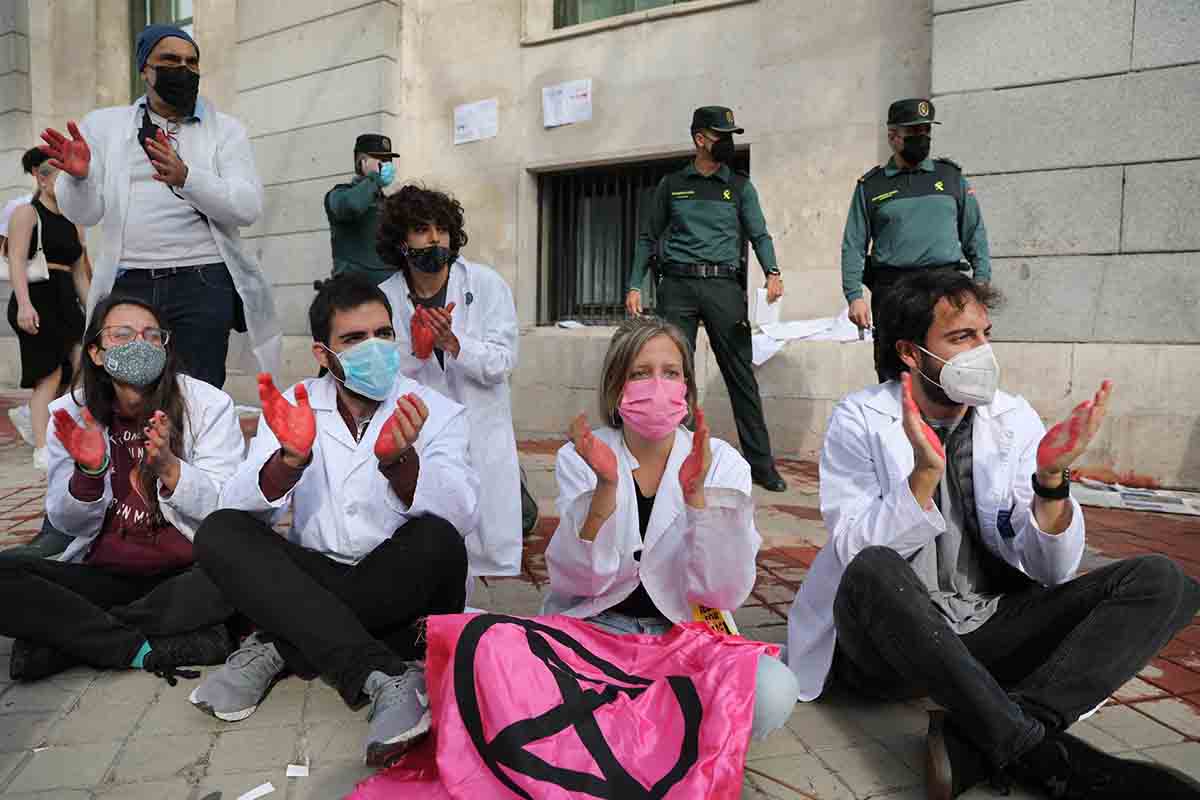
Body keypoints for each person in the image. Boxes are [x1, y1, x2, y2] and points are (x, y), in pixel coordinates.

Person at [785, 270, 1200, 798]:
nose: (982, 351)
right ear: (911, 353)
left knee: (1162, 581)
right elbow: (854, 548)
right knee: (872, 567)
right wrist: (922, 477)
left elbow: (1052, 570)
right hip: (890, 645)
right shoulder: (859, 419)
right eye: (961, 338)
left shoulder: (1012, 416)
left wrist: (1051, 483)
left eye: (985, 335)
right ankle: (1047, 759)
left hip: (982, 626)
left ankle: (996, 737)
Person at [188, 275, 478, 767]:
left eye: (384, 334)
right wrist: (289, 461)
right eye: (355, 339)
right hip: (319, 579)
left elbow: (462, 516)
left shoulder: (435, 410)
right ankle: (383, 674)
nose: (375, 348)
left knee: (437, 539)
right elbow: (238, 503)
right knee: (219, 533)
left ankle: (284, 644)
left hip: (404, 593)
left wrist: (400, 466)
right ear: (324, 354)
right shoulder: (297, 404)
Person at [543, 315, 799, 741]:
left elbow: (721, 592)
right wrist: (605, 492)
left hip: (689, 632)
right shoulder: (583, 457)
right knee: (512, 671)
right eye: (640, 374)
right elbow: (580, 581)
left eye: (671, 373)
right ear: (616, 387)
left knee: (771, 690)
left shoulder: (721, 461)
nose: (657, 385)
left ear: (687, 386)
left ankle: (647, 740)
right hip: (599, 629)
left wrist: (698, 500)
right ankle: (653, 740)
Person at [0, 295, 242, 682]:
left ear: (165, 346)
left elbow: (226, 508)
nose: (139, 345)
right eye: (122, 335)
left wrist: (170, 468)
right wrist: (90, 474)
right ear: (95, 352)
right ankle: (139, 648)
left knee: (242, 576)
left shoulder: (208, 405)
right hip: (105, 573)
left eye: (151, 335)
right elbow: (65, 521)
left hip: (186, 573)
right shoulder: (70, 414)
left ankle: (64, 639)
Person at [39, 23, 280, 389]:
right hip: (129, 280)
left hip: (203, 281)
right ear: (144, 70)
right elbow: (84, 213)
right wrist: (79, 177)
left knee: (199, 394)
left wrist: (187, 177)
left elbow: (246, 208)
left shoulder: (226, 131)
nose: (183, 69)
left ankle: (191, 450)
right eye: (169, 60)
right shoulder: (105, 126)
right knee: (128, 392)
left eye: (191, 62)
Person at [626, 106, 787, 492]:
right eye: (721, 135)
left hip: (722, 288)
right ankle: (677, 459)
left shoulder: (740, 186)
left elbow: (759, 234)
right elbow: (649, 238)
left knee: (740, 375)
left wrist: (773, 271)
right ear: (700, 139)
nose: (728, 142)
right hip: (677, 286)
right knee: (672, 374)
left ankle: (761, 465)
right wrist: (635, 284)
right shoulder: (672, 185)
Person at [377, 185, 523, 581]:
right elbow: (380, 379)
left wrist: (454, 344)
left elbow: (504, 360)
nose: (435, 238)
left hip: (482, 430)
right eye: (422, 230)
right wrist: (419, 354)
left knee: (484, 554)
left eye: (441, 229)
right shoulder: (385, 299)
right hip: (424, 436)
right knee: (428, 550)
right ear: (401, 241)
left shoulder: (484, 283)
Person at [840, 98, 990, 379]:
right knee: (895, 371)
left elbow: (975, 235)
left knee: (954, 371)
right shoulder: (872, 186)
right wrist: (854, 296)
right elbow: (853, 244)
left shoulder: (951, 177)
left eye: (926, 132)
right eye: (914, 133)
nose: (922, 138)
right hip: (894, 289)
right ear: (893, 136)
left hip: (945, 287)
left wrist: (980, 285)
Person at [4, 148, 90, 472]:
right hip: (36, 298)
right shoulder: (27, 214)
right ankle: (43, 446)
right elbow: (15, 261)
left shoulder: (74, 221)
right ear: (41, 177)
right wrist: (24, 305)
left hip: (66, 298)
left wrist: (95, 310)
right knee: (49, 375)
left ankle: (52, 428)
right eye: (58, 175)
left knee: (79, 370)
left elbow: (80, 272)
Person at [325, 133, 399, 285]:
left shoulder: (388, 202)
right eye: (381, 160)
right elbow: (352, 206)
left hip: (389, 289)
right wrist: (373, 178)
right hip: (354, 291)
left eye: (389, 160)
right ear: (362, 162)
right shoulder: (339, 195)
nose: (387, 164)